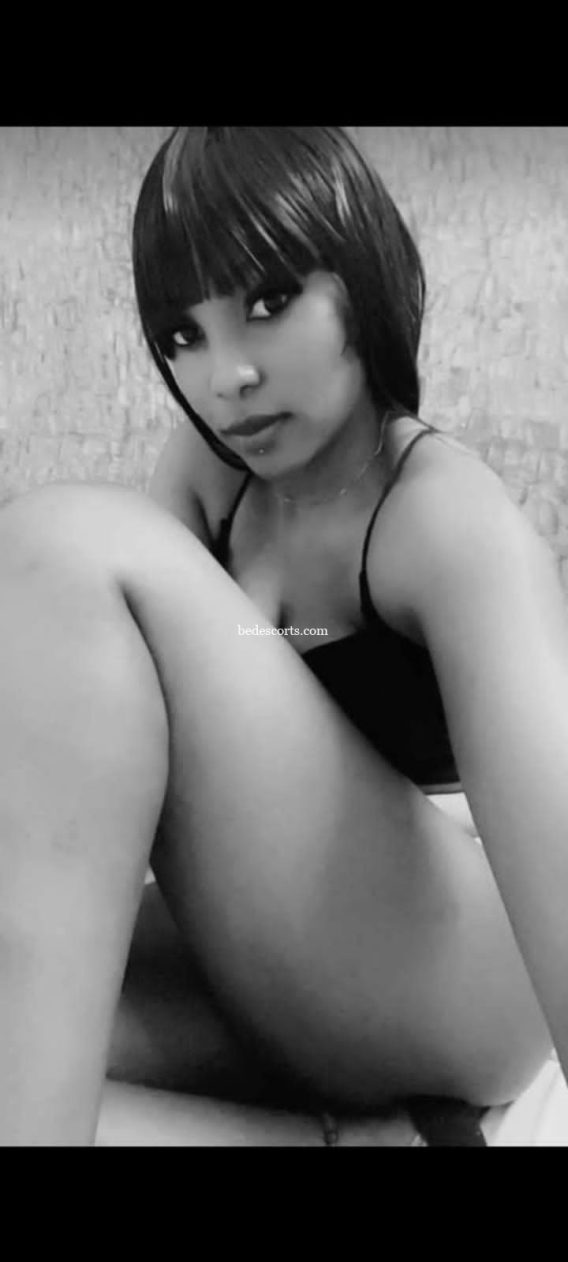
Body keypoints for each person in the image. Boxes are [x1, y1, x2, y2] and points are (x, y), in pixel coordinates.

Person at [0, 125, 566, 1147]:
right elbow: (101, 727)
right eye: (183, 335)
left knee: (59, 546)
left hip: (469, 980)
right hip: (286, 962)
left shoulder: (444, 519)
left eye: (268, 302)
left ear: (362, 275)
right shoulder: (207, 476)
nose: (227, 378)